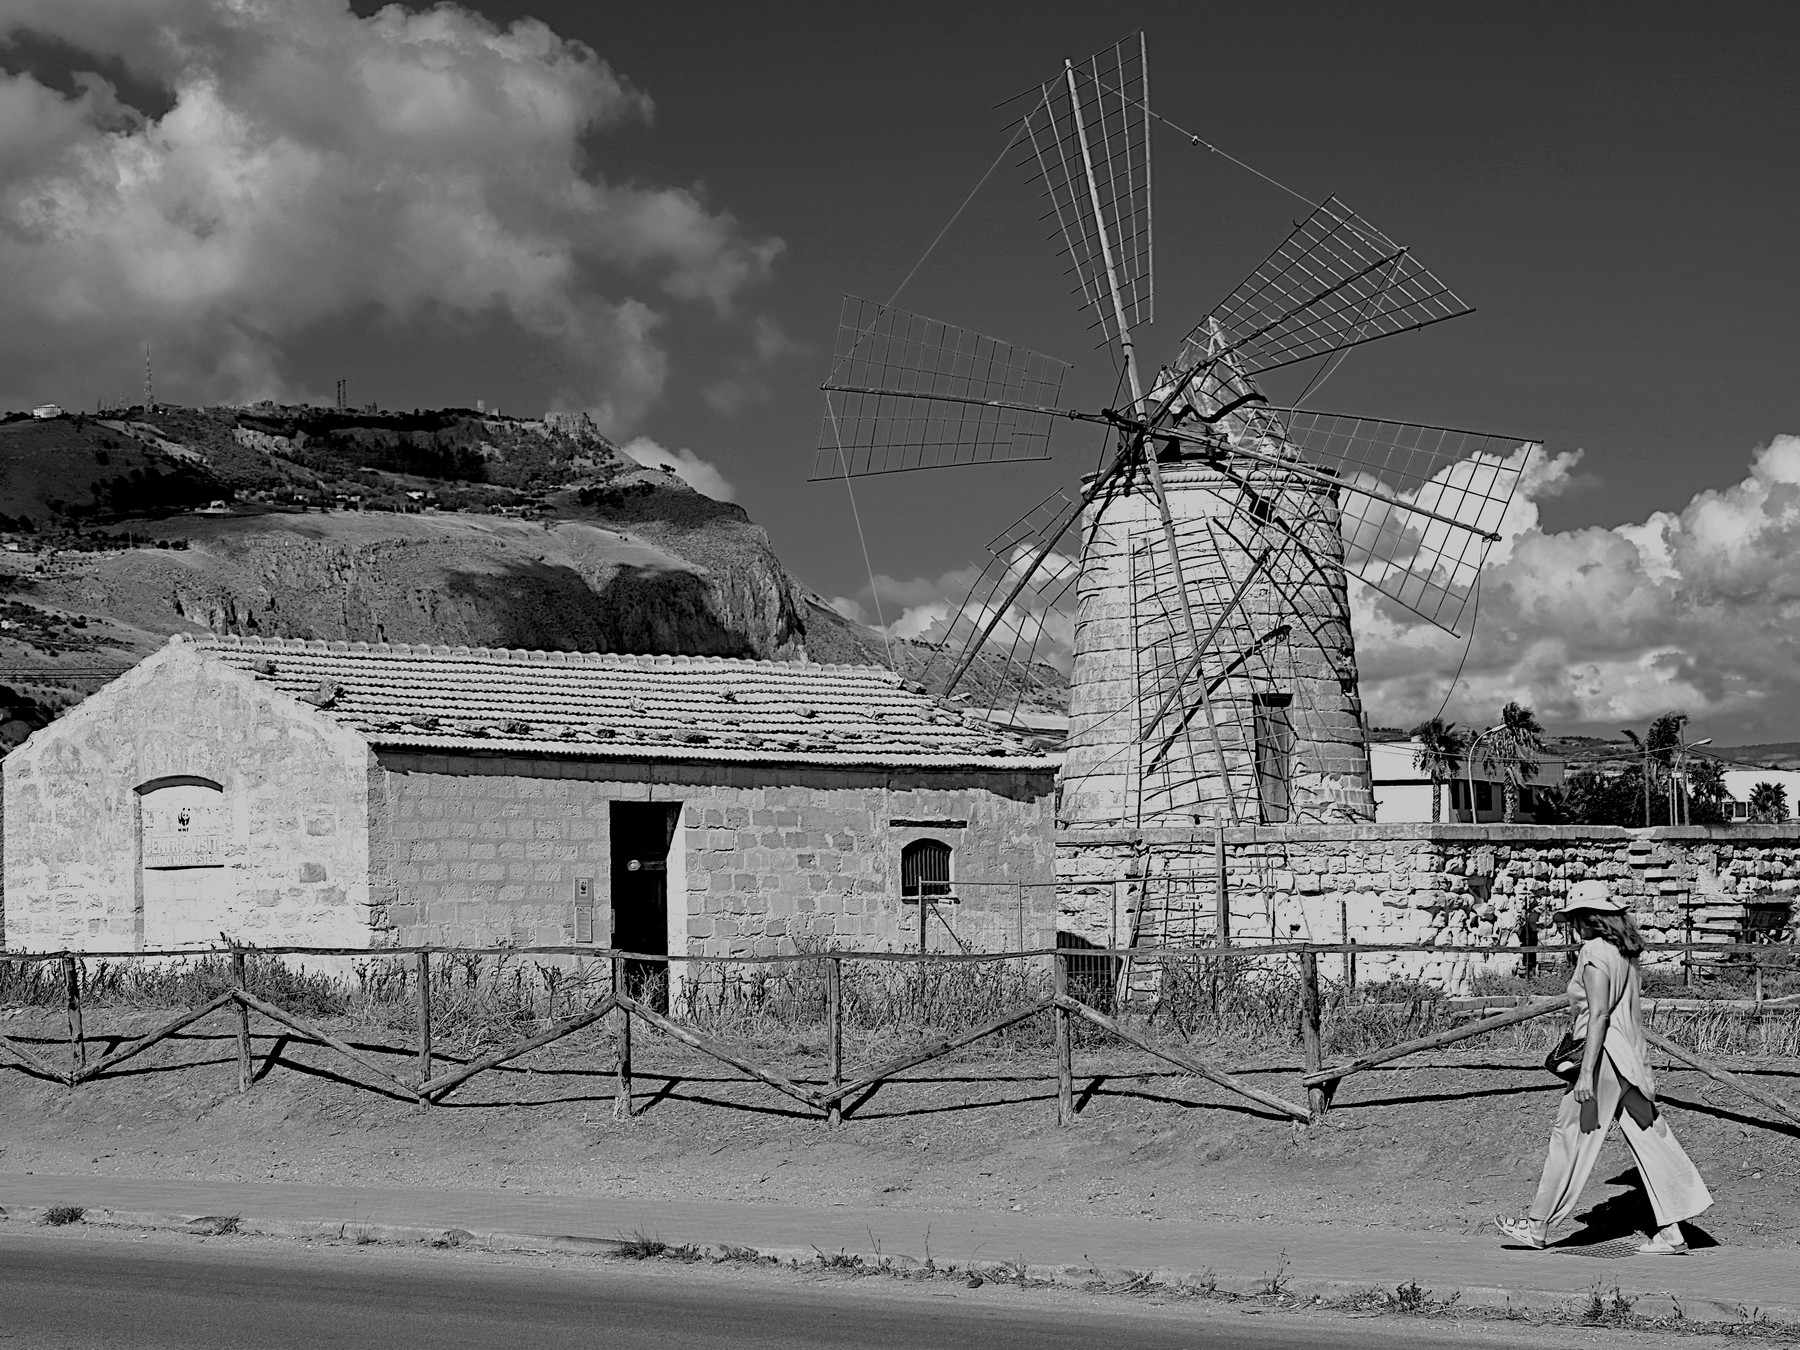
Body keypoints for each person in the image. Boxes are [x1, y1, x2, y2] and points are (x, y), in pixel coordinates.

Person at [1496, 879, 1712, 1255]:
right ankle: (1674, 1230)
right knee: (1649, 1136)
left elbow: (1599, 1017)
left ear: (1588, 918)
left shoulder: (1595, 951)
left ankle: (1537, 1225)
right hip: (1630, 1059)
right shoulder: (1624, 951)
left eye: (1575, 918)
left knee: (1570, 1137)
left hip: (1603, 1061)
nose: (1573, 926)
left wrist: (1585, 1074)